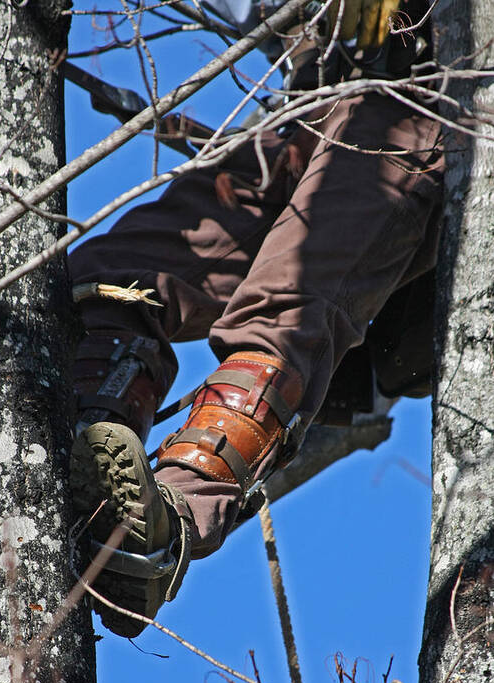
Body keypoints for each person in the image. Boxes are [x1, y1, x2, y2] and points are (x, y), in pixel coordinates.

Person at [68, 0, 445, 637]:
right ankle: (76, 438)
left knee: (290, 296)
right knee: (109, 277)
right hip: (324, 106)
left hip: (434, 105)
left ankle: (164, 528)